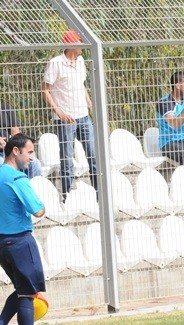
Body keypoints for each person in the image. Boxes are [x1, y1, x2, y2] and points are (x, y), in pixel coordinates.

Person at [0, 134, 53, 325]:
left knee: (23, 289)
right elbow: (37, 210)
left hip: (2, 243)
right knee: (28, 292)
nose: (32, 157)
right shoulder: (17, 178)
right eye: (29, 152)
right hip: (19, 240)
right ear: (16, 151)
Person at [42, 29, 98, 199]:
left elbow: (81, 85)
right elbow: (45, 90)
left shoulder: (80, 61)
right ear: (71, 44)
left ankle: (99, 193)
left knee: (93, 155)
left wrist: (89, 103)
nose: (82, 45)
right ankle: (67, 196)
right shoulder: (56, 63)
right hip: (65, 119)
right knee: (67, 159)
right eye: (79, 42)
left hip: (83, 116)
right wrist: (58, 111)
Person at [0, 102, 41, 178]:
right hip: (1, 154)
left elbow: (16, 133)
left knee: (35, 163)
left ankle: (28, 184)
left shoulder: (6, 108)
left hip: (11, 150)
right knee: (2, 163)